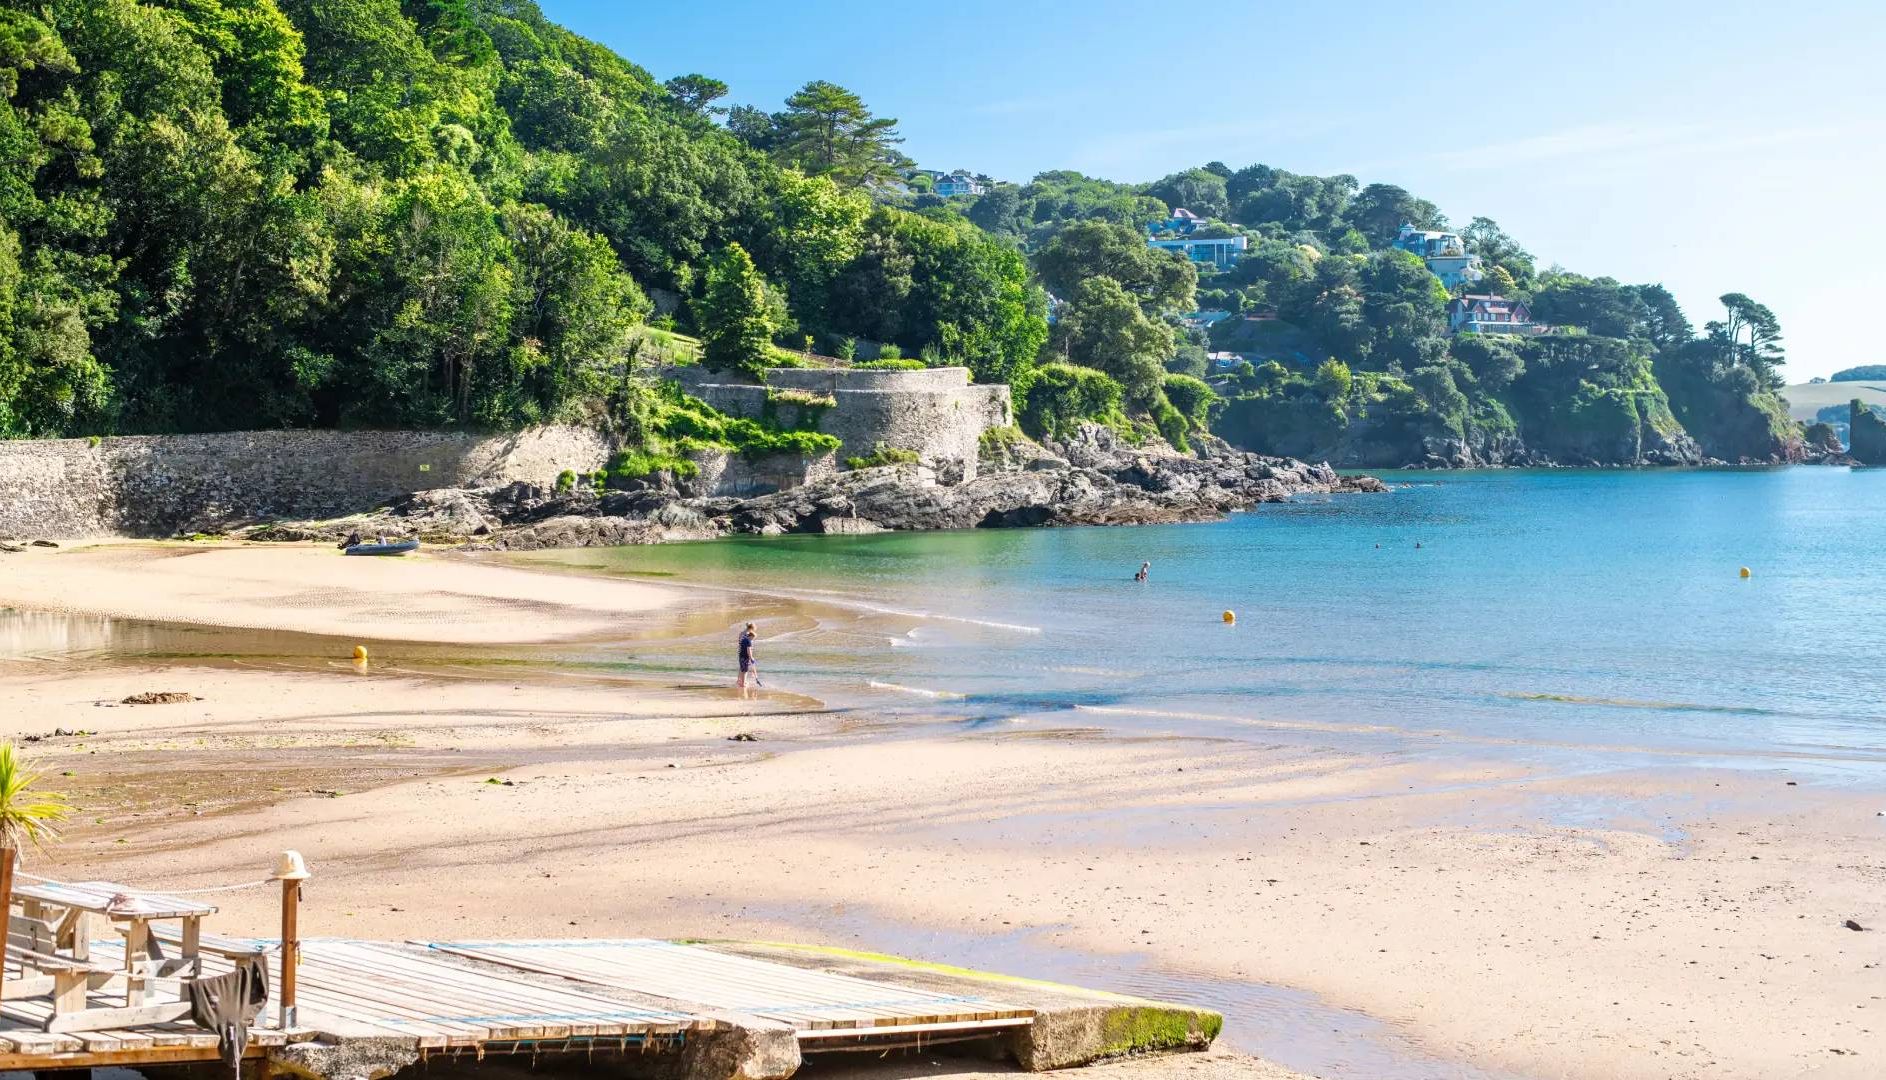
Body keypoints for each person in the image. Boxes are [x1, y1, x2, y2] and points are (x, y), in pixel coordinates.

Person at [736, 622, 758, 696]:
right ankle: (743, 682)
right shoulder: (748, 636)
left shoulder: (742, 633)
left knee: (741, 667)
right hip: (746, 653)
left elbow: (740, 642)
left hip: (741, 652)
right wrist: (751, 656)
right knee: (745, 669)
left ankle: (739, 680)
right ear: (751, 628)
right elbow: (749, 647)